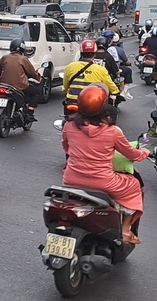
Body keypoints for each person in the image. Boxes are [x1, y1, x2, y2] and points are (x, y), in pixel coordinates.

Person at [61, 85, 150, 244]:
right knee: (135, 185)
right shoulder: (112, 131)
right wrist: (145, 152)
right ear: (104, 107)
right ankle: (125, 230)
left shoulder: (69, 125)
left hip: (70, 179)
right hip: (103, 183)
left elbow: (67, 148)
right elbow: (131, 154)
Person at [63, 40, 120, 109]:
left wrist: (66, 91)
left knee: (67, 116)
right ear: (94, 54)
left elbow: (65, 86)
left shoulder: (70, 66)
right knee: (111, 112)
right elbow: (110, 85)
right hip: (93, 102)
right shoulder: (100, 69)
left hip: (73, 101)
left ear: (81, 53)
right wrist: (116, 92)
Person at [0, 38, 42, 119]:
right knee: (37, 91)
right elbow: (31, 72)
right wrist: (38, 76)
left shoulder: (4, 57)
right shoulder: (23, 59)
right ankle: (30, 112)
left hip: (3, 85)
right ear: (22, 48)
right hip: (19, 86)